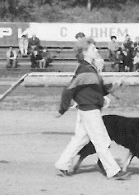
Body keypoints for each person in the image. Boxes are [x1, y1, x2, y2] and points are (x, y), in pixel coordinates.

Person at [54, 46, 129, 180]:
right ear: (85, 52)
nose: (96, 50)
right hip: (90, 110)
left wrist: (114, 85)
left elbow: (99, 90)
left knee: (80, 139)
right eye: (92, 48)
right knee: (101, 140)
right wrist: (62, 109)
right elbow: (69, 89)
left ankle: (62, 164)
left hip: (88, 109)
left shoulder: (89, 69)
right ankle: (112, 170)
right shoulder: (85, 70)